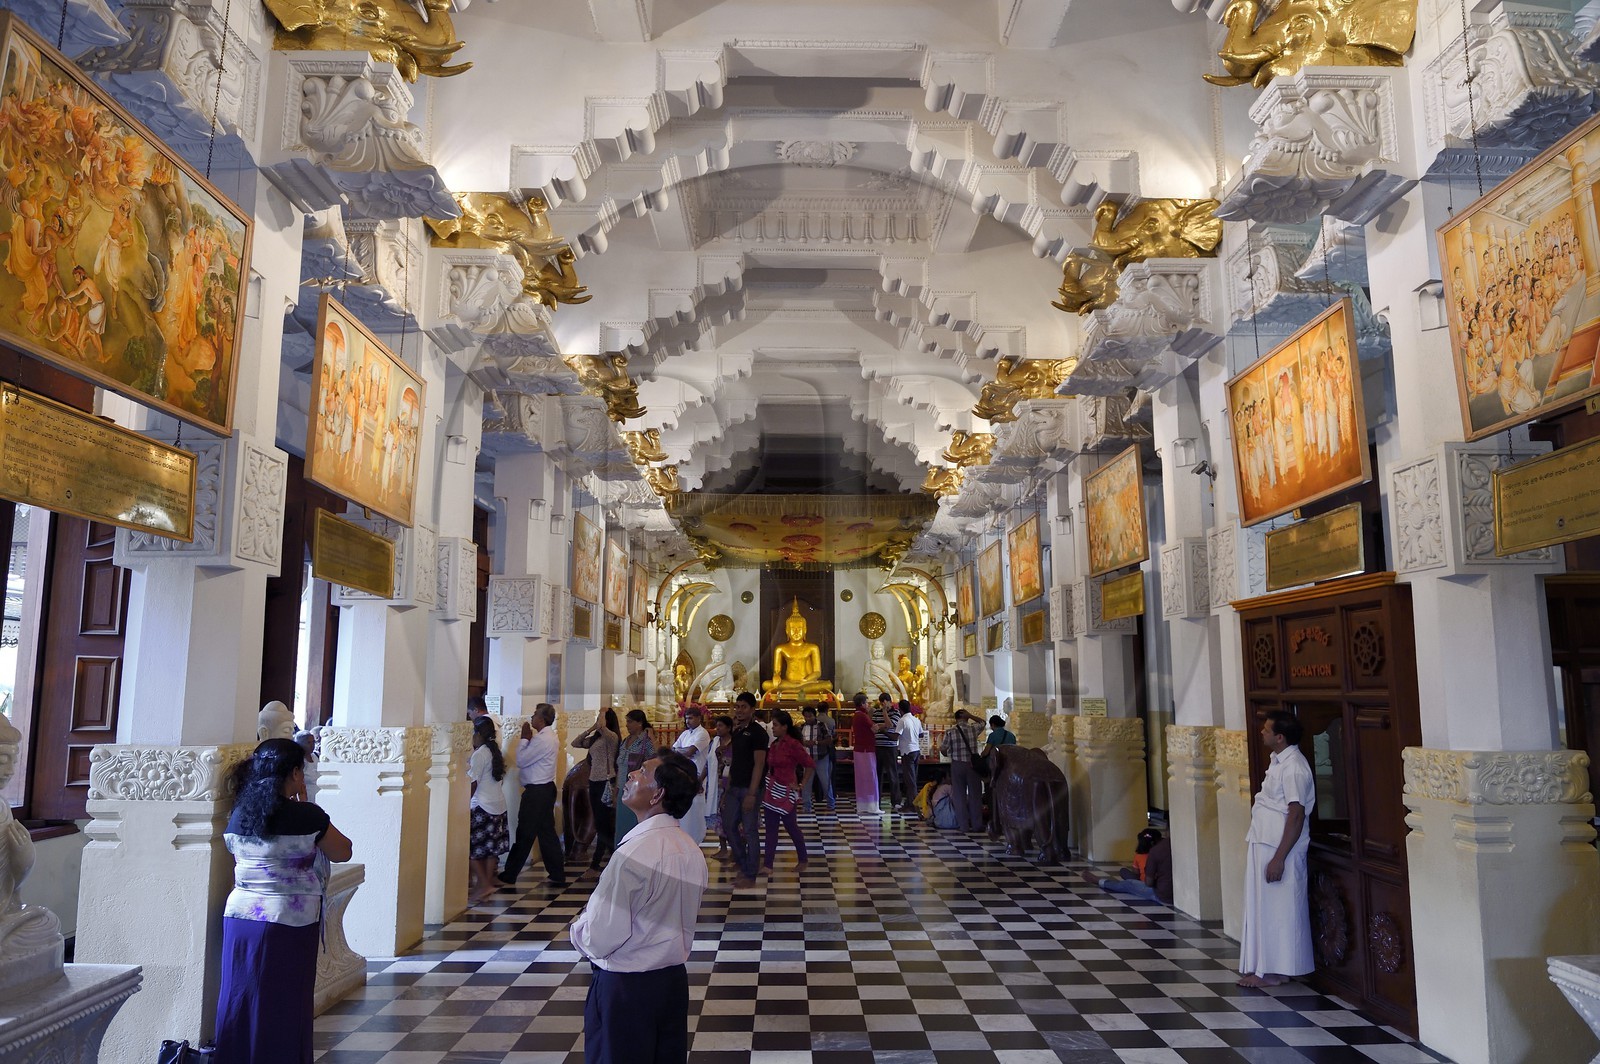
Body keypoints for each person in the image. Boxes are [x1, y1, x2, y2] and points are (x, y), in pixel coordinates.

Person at [214, 738, 353, 1063]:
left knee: (241, 996)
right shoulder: (306, 816)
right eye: (301, 772)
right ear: (292, 772)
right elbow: (343, 850)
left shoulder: (240, 814)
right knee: (286, 1001)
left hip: (240, 918)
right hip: (289, 922)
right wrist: (306, 803)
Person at [571, 751, 708, 1063]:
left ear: (658, 794)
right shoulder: (690, 850)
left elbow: (602, 937)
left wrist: (577, 930)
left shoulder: (634, 854)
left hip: (626, 987)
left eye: (643, 772)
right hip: (671, 984)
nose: (631, 775)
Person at [1239, 710, 1315, 989]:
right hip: (1266, 843)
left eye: (1267, 729)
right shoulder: (1278, 761)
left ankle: (1274, 971)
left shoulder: (1294, 767)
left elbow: (1296, 815)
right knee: (1266, 908)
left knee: (1280, 910)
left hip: (1279, 849)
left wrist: (1279, 858)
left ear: (1280, 737)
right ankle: (1266, 966)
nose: (1262, 732)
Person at [499, 703, 566, 890]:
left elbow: (521, 760)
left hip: (537, 792)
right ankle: (557, 873)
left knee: (525, 832)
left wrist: (523, 740)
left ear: (542, 719)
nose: (532, 717)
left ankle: (510, 873)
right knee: (546, 833)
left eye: (535, 714)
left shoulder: (541, 740)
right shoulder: (548, 737)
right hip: (544, 790)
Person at [722, 692, 768, 888]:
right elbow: (735, 762)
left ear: (752, 709)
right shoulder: (737, 731)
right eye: (737, 706)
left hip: (751, 788)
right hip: (734, 787)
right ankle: (742, 863)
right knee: (728, 826)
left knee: (749, 830)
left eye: (744, 707)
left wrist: (752, 793)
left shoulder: (758, 733)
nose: (739, 710)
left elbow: (759, 764)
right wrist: (727, 789)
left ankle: (750, 874)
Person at [761, 709, 815, 873]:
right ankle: (768, 864)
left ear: (785, 727)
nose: (772, 728)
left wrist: (801, 784)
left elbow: (810, 765)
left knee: (791, 826)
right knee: (770, 828)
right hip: (772, 789)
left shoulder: (793, 744)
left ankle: (803, 858)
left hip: (787, 791)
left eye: (775, 725)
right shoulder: (774, 744)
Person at [467, 716, 509, 904]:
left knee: (472, 849)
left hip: (482, 807)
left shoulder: (480, 754)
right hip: (497, 804)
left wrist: (464, 802)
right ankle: (485, 882)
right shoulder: (495, 751)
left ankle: (484, 884)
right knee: (490, 849)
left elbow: (473, 782)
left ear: (478, 734)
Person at [572, 709, 620, 870]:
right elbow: (576, 743)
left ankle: (596, 864)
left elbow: (606, 732)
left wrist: (601, 725)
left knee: (603, 824)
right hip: (594, 782)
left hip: (606, 782)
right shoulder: (596, 739)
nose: (598, 718)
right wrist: (591, 728)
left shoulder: (611, 737)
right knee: (602, 824)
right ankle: (612, 859)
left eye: (601, 716)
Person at [1098, 827, 1173, 904]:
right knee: (1127, 876)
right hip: (1166, 889)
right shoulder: (1171, 847)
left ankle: (1100, 881)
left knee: (1128, 884)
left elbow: (1149, 883)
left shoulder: (1154, 852)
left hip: (1159, 892)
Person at [613, 710, 656, 842]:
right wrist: (616, 787)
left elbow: (654, 761)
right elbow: (620, 765)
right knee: (620, 824)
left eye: (630, 722)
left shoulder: (645, 742)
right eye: (627, 722)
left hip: (636, 789)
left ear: (639, 723)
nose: (627, 725)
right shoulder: (625, 740)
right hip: (622, 787)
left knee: (632, 823)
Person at [671, 706, 711, 843]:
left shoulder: (703, 733)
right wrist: (682, 750)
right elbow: (673, 749)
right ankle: (685, 839)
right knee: (685, 812)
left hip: (697, 776)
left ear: (699, 718)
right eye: (686, 718)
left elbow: (689, 752)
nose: (688, 721)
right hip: (683, 776)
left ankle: (696, 840)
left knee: (696, 811)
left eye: (691, 718)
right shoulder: (685, 734)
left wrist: (680, 751)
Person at [940, 709, 984, 832]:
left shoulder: (950, 731)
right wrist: (970, 715)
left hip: (957, 765)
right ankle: (977, 825)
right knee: (975, 795)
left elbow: (943, 749)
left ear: (955, 719)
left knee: (959, 795)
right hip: (972, 765)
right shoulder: (973, 729)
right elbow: (983, 722)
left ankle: (964, 826)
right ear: (966, 717)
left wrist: (949, 753)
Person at [799, 704, 836, 813]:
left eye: (810, 716)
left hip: (821, 758)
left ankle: (830, 803)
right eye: (806, 716)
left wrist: (815, 742)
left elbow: (829, 740)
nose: (808, 718)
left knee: (825, 782)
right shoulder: (802, 727)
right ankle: (806, 805)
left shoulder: (821, 726)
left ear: (815, 716)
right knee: (806, 783)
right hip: (807, 759)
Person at [707, 714, 733, 859]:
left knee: (732, 818)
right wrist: (700, 780)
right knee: (718, 818)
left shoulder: (734, 743)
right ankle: (723, 848)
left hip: (731, 784)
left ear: (729, 728)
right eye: (717, 725)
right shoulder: (714, 742)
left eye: (721, 726)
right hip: (716, 784)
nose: (717, 728)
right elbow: (707, 763)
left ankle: (737, 848)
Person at [850, 692, 879, 815]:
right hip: (866, 750)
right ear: (862, 703)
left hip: (860, 749)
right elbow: (874, 728)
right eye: (867, 702)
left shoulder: (857, 715)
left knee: (862, 778)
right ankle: (872, 806)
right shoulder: (862, 715)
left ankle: (863, 805)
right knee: (871, 777)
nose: (868, 705)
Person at [872, 692, 902, 810]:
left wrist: (884, 713)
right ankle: (877, 800)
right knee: (877, 775)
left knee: (892, 774)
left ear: (890, 702)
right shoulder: (876, 713)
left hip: (890, 747)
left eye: (886, 702)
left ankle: (896, 801)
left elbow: (890, 725)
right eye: (881, 703)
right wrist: (881, 725)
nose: (884, 705)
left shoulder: (896, 713)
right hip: (878, 746)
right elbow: (874, 727)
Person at [896, 700, 924, 815]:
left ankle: (914, 806)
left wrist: (884, 731)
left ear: (900, 710)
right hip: (916, 751)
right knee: (912, 779)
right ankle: (909, 803)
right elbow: (921, 734)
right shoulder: (916, 720)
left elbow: (896, 735)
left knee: (910, 781)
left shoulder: (902, 720)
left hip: (907, 752)